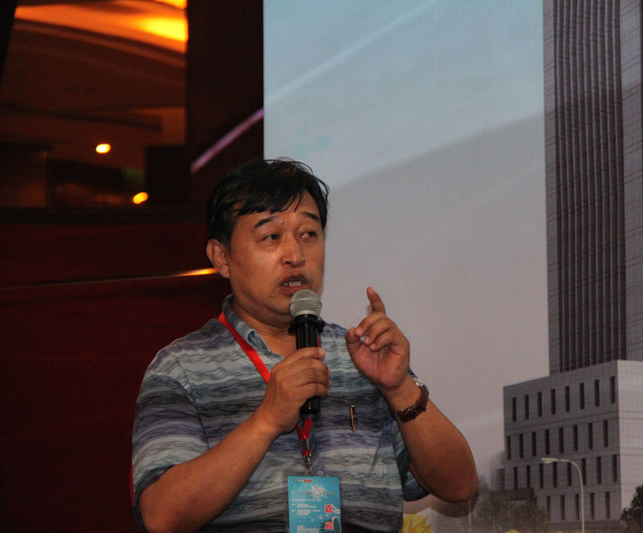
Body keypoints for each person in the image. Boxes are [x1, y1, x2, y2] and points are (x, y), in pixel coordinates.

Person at [131, 159, 478, 532]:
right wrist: (266, 421)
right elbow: (162, 516)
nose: (295, 255)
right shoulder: (181, 368)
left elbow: (459, 485)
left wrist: (400, 388)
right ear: (222, 257)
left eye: (309, 234)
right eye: (271, 236)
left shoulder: (363, 355)